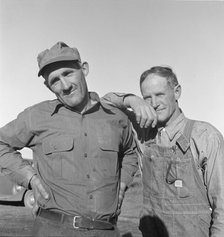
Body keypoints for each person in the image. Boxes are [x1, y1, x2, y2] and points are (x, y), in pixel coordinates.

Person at [0, 42, 139, 237]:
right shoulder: (36, 116)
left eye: (68, 73)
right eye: (55, 80)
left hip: (106, 231)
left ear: (84, 69)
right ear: (48, 86)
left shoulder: (116, 117)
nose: (64, 86)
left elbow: (130, 151)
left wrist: (123, 184)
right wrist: (29, 178)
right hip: (52, 230)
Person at [102, 66, 224, 237]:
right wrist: (132, 100)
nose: (154, 103)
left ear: (177, 92)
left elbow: (222, 205)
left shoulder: (205, 136)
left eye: (160, 94)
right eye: (147, 98)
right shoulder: (143, 134)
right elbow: (105, 103)